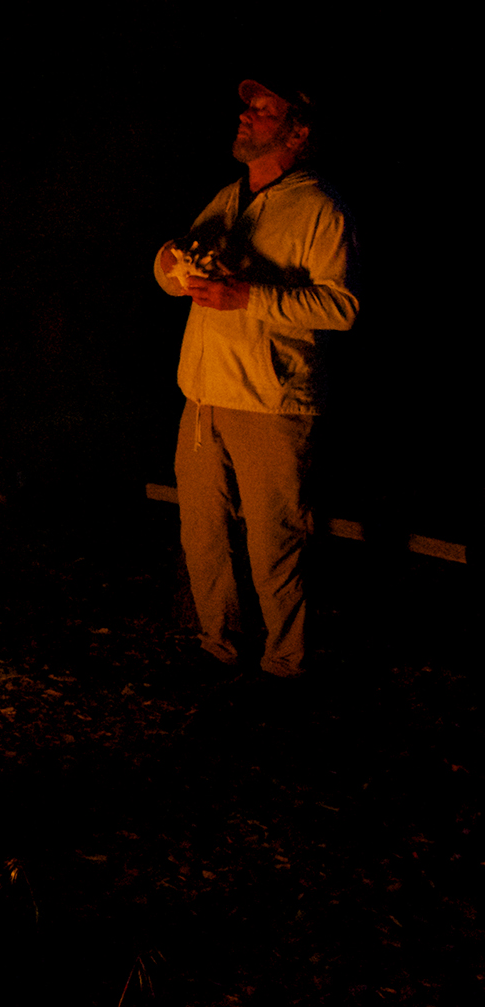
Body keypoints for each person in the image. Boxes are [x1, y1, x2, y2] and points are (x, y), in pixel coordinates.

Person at [155, 76, 358, 682]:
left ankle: (284, 665)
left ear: (297, 133)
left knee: (275, 544)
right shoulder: (228, 197)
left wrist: (248, 295)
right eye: (248, 107)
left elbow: (341, 306)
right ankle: (217, 647)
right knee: (203, 536)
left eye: (264, 111)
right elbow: (179, 277)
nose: (246, 116)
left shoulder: (320, 208)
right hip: (202, 394)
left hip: (271, 401)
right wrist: (171, 261)